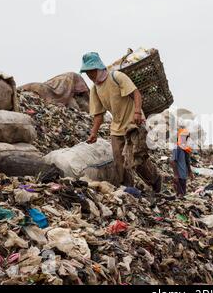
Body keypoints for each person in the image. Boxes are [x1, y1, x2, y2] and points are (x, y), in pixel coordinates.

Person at [81, 52, 161, 192]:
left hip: (133, 123)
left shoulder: (116, 77)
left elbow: (136, 94)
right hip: (116, 128)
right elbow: (99, 115)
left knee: (136, 159)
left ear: (99, 68)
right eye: (87, 72)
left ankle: (155, 179)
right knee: (120, 162)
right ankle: (128, 189)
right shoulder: (95, 89)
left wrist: (137, 111)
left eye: (92, 71)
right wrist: (93, 133)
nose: (90, 75)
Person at [171, 129, 193, 198]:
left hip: (184, 176)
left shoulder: (185, 148)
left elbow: (187, 161)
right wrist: (176, 175)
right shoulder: (177, 148)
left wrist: (190, 172)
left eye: (187, 137)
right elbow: (173, 161)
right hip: (179, 176)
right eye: (184, 137)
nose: (185, 139)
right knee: (180, 195)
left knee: (183, 195)